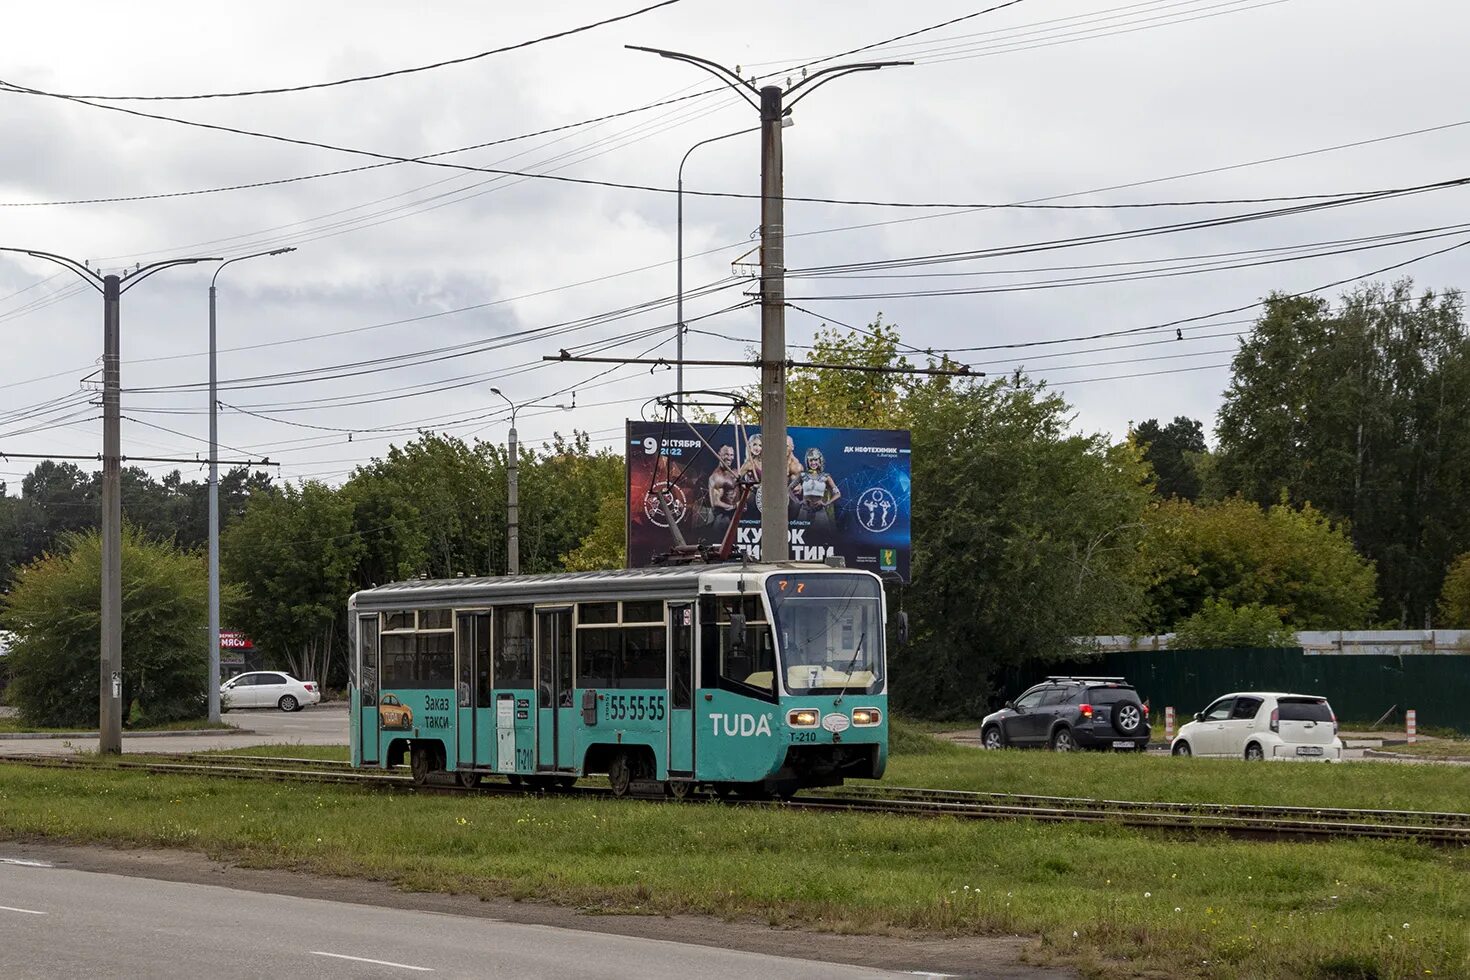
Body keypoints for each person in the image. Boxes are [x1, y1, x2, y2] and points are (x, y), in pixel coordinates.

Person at [791, 447, 840, 536]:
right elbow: (788, 489)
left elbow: (837, 493)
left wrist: (826, 503)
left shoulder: (826, 477)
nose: (813, 463)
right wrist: (797, 501)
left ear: (820, 461)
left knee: (822, 538)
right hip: (804, 511)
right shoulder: (803, 476)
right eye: (811, 460)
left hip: (820, 512)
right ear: (807, 462)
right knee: (801, 537)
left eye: (815, 460)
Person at [707, 444, 740, 544]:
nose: (729, 458)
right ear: (719, 455)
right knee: (722, 548)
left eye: (731, 455)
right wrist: (735, 506)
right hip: (722, 519)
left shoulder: (735, 472)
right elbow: (715, 502)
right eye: (726, 454)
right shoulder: (716, 477)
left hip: (735, 517)